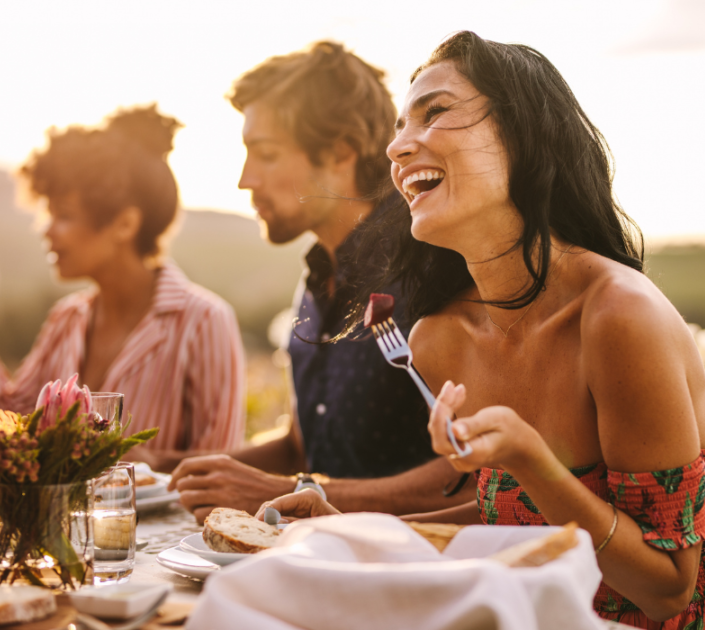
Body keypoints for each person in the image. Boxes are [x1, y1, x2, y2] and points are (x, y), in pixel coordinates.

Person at [255, 32, 705, 629]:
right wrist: (343, 522)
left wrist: (529, 458)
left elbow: (666, 588)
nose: (397, 148)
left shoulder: (619, 317)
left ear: (523, 134)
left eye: (435, 112)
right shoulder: (440, 339)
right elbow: (514, 521)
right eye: (398, 128)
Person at [168, 41, 477, 523]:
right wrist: (172, 471)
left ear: (340, 153)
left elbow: (476, 473)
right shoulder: (316, 278)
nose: (245, 179)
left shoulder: (437, 268)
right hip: (317, 562)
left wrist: (293, 489)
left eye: (264, 154)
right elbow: (301, 443)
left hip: (413, 572)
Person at [0, 105, 247, 463]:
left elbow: (220, 468)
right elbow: (3, 429)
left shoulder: (205, 321)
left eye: (64, 215)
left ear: (124, 224)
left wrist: (144, 461)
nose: (46, 229)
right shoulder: (67, 318)